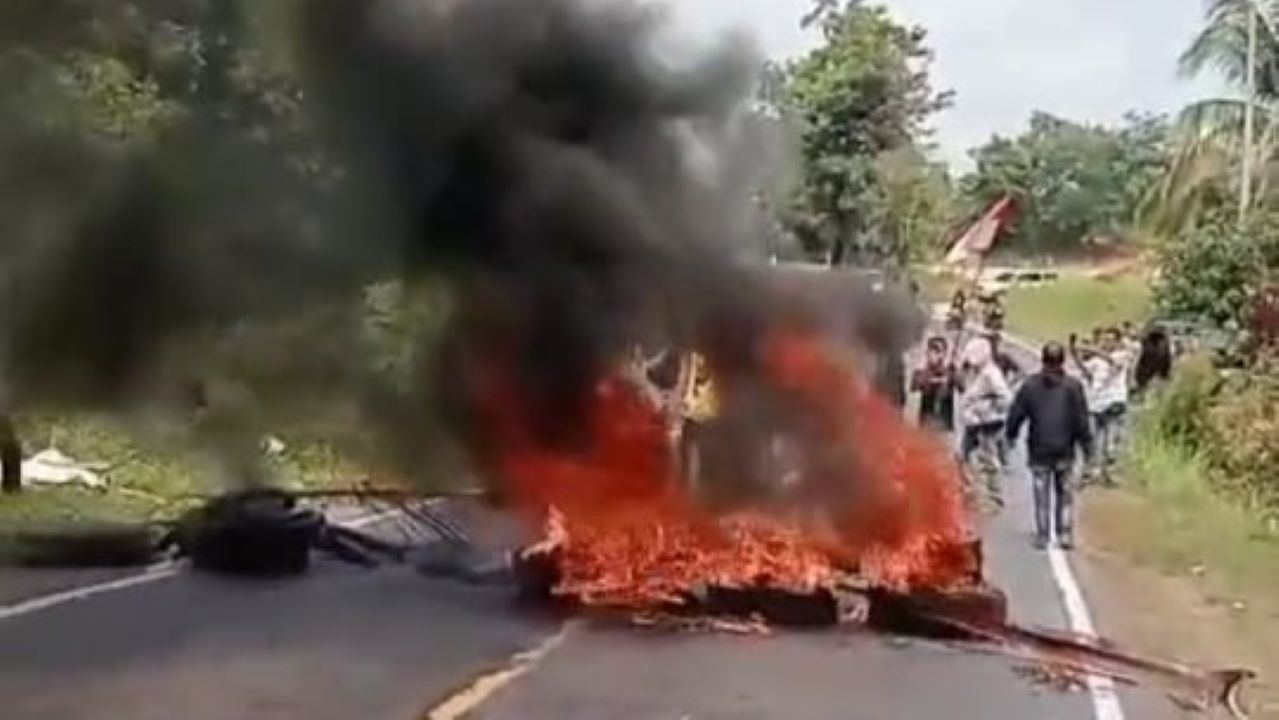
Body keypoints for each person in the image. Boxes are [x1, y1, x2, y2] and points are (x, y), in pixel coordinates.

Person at [1005, 342, 1093, 550]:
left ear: (1043, 360)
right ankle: (1064, 534)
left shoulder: (1030, 386)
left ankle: (1043, 535)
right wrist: (1087, 445)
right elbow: (1081, 420)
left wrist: (1011, 434)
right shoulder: (1073, 386)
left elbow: (1016, 414)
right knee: (1065, 494)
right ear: (1062, 361)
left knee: (1041, 494)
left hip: (1039, 449)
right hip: (1065, 449)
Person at [958, 336, 1013, 510]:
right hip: (974, 423)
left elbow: (1006, 398)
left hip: (985, 423)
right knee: (962, 456)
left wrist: (987, 410)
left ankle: (994, 497)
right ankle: (969, 492)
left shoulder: (991, 374)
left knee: (988, 459)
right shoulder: (978, 373)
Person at [911, 336, 957, 433]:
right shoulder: (921, 371)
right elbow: (916, 386)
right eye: (931, 350)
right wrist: (936, 380)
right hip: (925, 425)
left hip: (943, 426)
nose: (934, 354)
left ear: (944, 353)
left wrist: (951, 374)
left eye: (938, 351)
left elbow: (962, 387)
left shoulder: (950, 371)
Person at [1133, 325, 1172, 395]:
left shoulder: (1145, 343)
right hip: (1149, 373)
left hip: (1146, 373)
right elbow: (1167, 360)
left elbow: (1167, 360)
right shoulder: (1163, 345)